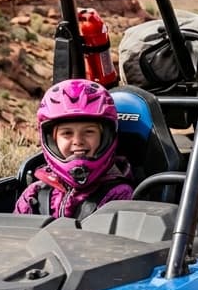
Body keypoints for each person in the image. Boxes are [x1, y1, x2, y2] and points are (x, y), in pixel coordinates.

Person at [16, 79, 134, 219]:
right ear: (52, 140)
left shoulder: (119, 195)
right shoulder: (35, 193)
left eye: (89, 132)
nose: (78, 141)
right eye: (67, 133)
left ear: (105, 137)